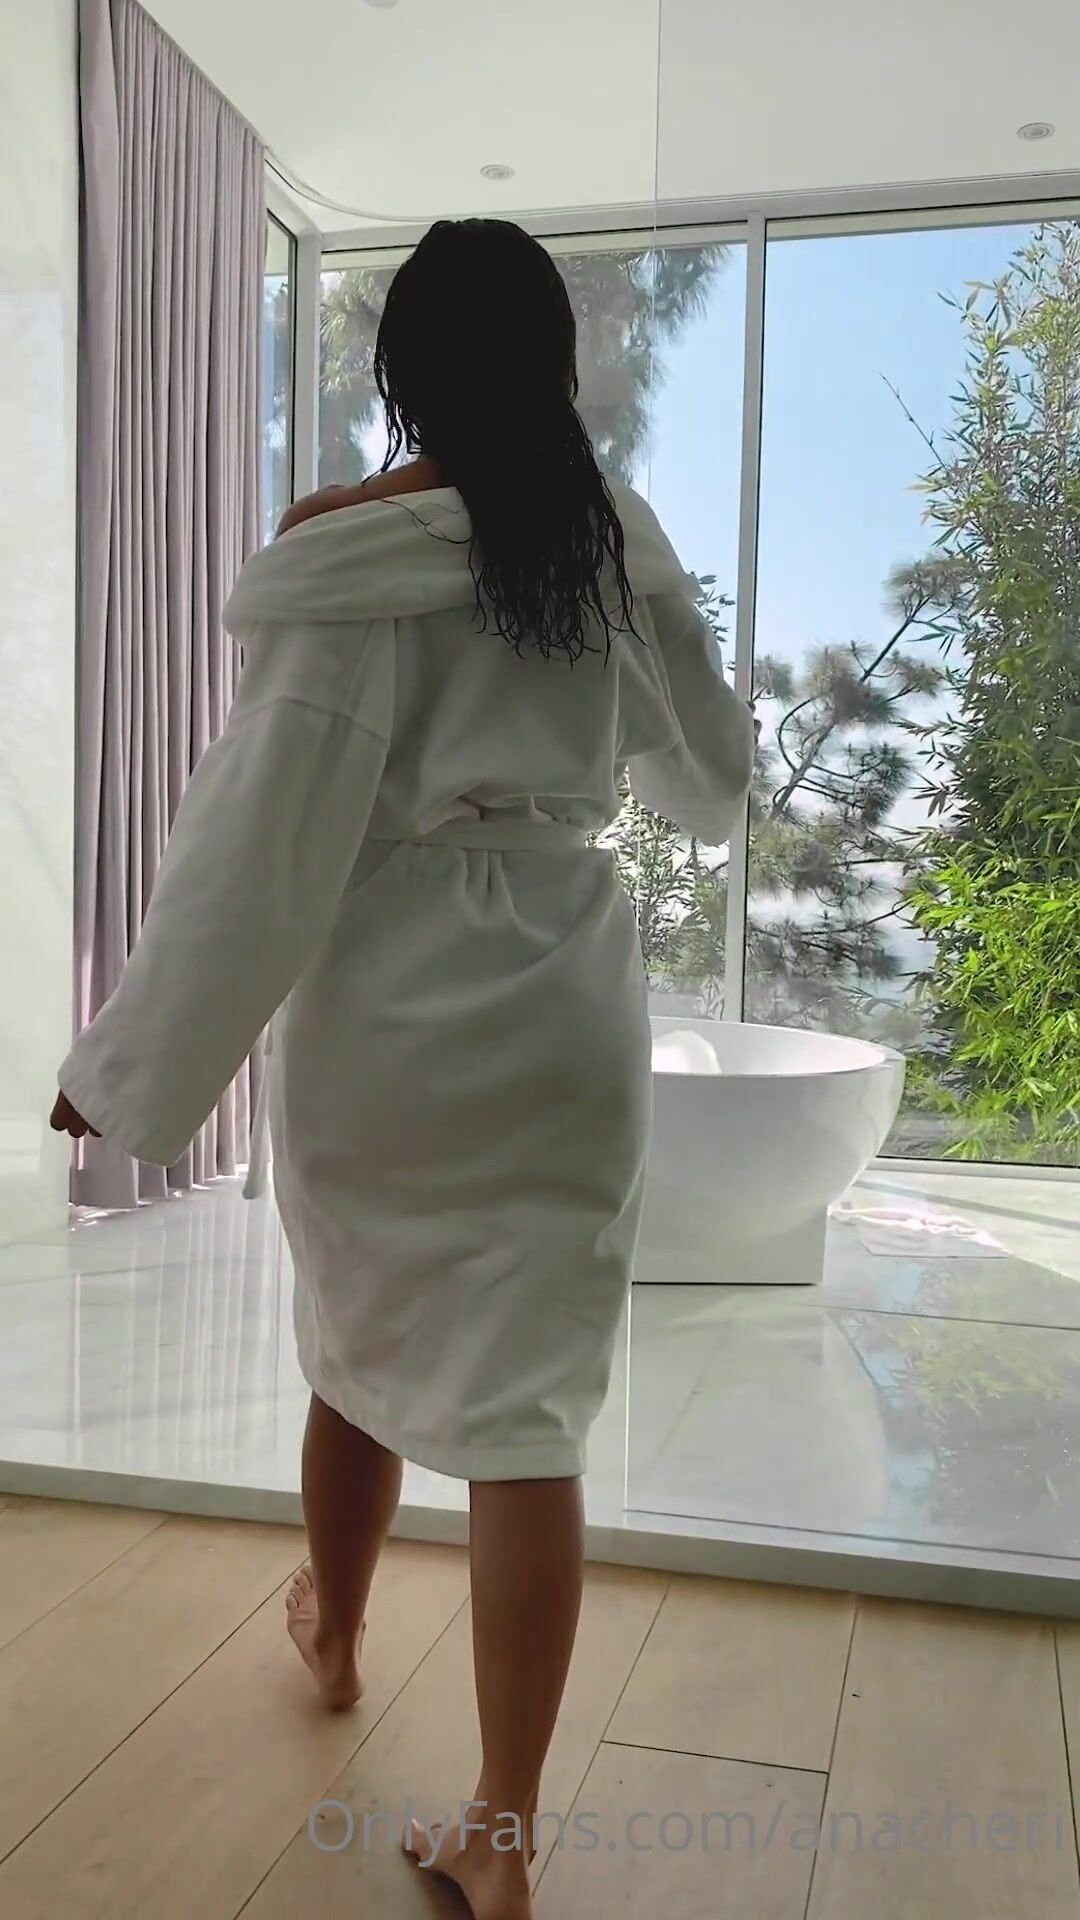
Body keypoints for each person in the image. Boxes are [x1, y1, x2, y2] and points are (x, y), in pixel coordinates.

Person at [52, 217, 755, 1920]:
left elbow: (256, 846)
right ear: (559, 368)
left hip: (391, 1007)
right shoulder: (609, 548)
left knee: (354, 1337)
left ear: (404, 373)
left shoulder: (356, 561)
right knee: (529, 1413)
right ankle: (503, 1830)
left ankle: (341, 1636)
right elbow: (711, 789)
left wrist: (126, 1067)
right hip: (564, 999)